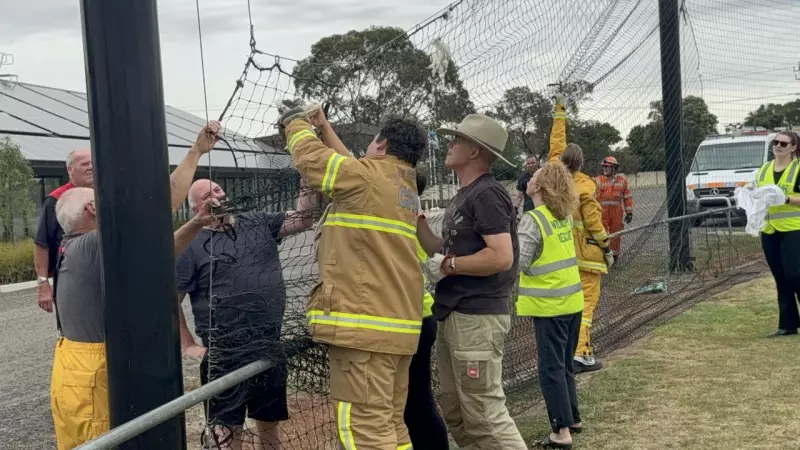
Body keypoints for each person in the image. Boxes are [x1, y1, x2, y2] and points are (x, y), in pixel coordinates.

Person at [48, 122, 222, 450]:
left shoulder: (80, 248)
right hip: (93, 379)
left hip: (74, 373)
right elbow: (157, 208)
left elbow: (155, 251)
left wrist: (196, 223)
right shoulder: (93, 245)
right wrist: (196, 151)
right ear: (93, 209)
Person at [280, 103, 427, 450]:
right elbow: (352, 167)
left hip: (365, 334)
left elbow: (315, 161)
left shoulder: (365, 178)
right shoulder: (403, 188)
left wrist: (296, 124)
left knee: (363, 434)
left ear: (383, 144)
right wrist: (325, 125)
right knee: (391, 425)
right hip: (396, 329)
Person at [176, 177, 318, 450]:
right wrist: (187, 344)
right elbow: (172, 298)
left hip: (268, 345)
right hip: (224, 354)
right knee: (227, 434)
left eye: (217, 189)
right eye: (206, 195)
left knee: (269, 424)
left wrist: (308, 186)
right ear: (197, 210)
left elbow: (302, 219)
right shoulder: (192, 245)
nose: (216, 195)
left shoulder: (257, 220)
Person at [416, 114, 527, 450]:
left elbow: (500, 256)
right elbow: (442, 247)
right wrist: (417, 221)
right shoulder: (464, 195)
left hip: (476, 317)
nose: (449, 145)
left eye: (456, 140)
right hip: (456, 315)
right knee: (458, 413)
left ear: (475, 152)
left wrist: (449, 266)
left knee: (484, 414)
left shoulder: (488, 194)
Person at [517, 162, 584, 449]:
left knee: (550, 369)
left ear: (540, 187)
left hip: (550, 306)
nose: (528, 179)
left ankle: (561, 431)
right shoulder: (562, 217)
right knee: (564, 365)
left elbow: (518, 261)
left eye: (533, 177)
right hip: (572, 302)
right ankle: (573, 418)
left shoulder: (534, 220)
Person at [546, 94, 614, 373]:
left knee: (566, 305)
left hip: (561, 254)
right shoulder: (585, 186)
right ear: (583, 162)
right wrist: (607, 248)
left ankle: (567, 351)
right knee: (586, 305)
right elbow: (594, 224)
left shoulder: (553, 175)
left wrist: (559, 112)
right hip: (586, 255)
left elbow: (555, 144)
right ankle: (582, 352)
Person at [405, 171, 450, 450]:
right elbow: (434, 249)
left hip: (412, 319)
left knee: (416, 403)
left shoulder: (404, 217)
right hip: (419, 316)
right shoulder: (412, 216)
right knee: (416, 402)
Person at [34, 149, 93, 314]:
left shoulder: (105, 193)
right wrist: (43, 284)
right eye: (84, 164)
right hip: (71, 277)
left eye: (93, 163)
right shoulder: (57, 199)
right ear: (70, 170)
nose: (91, 167)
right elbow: (41, 243)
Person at [757, 131, 800, 338]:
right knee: (781, 277)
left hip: (794, 228)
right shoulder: (764, 169)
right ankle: (788, 324)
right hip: (770, 229)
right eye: (775, 142)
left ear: (793, 147)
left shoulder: (798, 168)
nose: (778, 146)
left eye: (783, 143)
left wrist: (786, 200)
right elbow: (759, 192)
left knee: (796, 274)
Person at [595, 156, 633, 262]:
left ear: (614, 168)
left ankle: (614, 256)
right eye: (604, 167)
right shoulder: (597, 180)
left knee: (616, 234)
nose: (605, 169)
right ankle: (603, 255)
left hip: (617, 212)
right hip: (601, 212)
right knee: (602, 234)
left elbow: (627, 197)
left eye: (607, 167)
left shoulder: (622, 181)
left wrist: (629, 212)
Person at [514, 154, 540, 218]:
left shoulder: (545, 174)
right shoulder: (522, 178)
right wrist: (514, 210)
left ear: (538, 162)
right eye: (528, 164)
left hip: (543, 210)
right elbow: (518, 197)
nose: (530, 165)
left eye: (533, 163)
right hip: (529, 212)